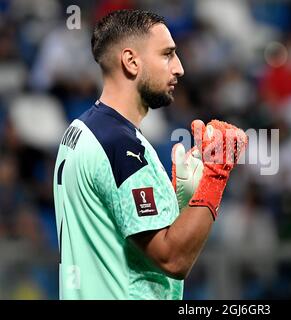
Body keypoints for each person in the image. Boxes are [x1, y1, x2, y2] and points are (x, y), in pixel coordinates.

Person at [53, 9, 247, 300]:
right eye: (167, 54)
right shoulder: (121, 146)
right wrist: (215, 177)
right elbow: (173, 259)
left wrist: (179, 203)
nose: (179, 68)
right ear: (131, 62)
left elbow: (117, 225)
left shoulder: (81, 128)